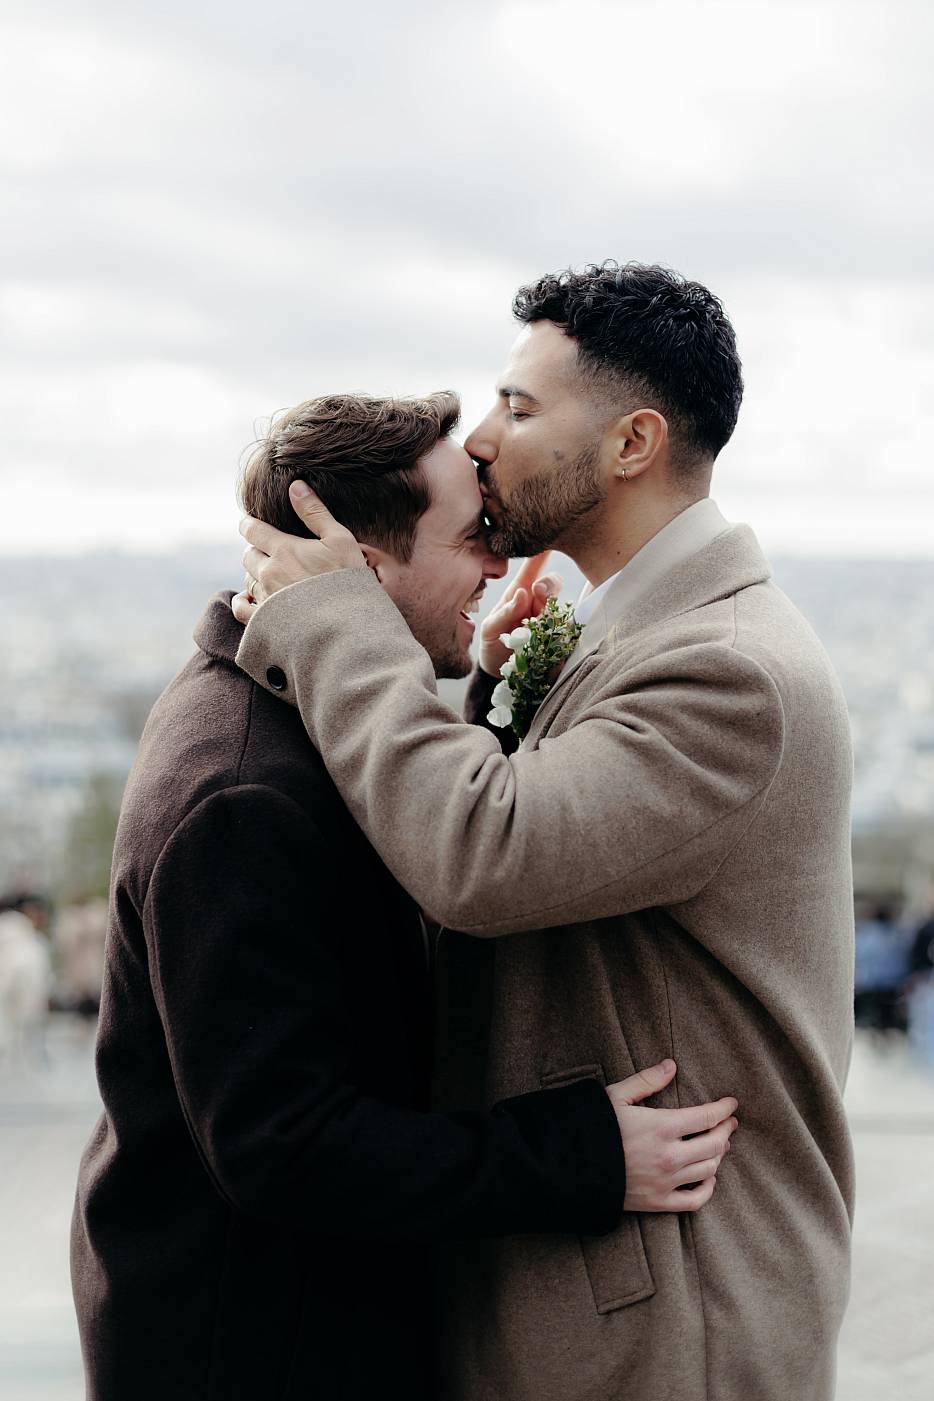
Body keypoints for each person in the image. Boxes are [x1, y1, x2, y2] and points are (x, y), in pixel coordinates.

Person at [234, 262, 856, 1401]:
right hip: (607, 1284)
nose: (480, 440)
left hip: (674, 1315)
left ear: (631, 444)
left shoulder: (725, 672)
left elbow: (482, 858)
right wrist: (488, 695)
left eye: (518, 409)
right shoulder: (633, 637)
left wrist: (337, 624)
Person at [71, 389, 738, 1401]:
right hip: (252, 1353)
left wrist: (494, 711)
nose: (501, 565)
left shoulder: (277, 714)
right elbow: (283, 1145)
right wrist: (577, 1156)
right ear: (360, 565)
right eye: (472, 538)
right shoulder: (242, 792)